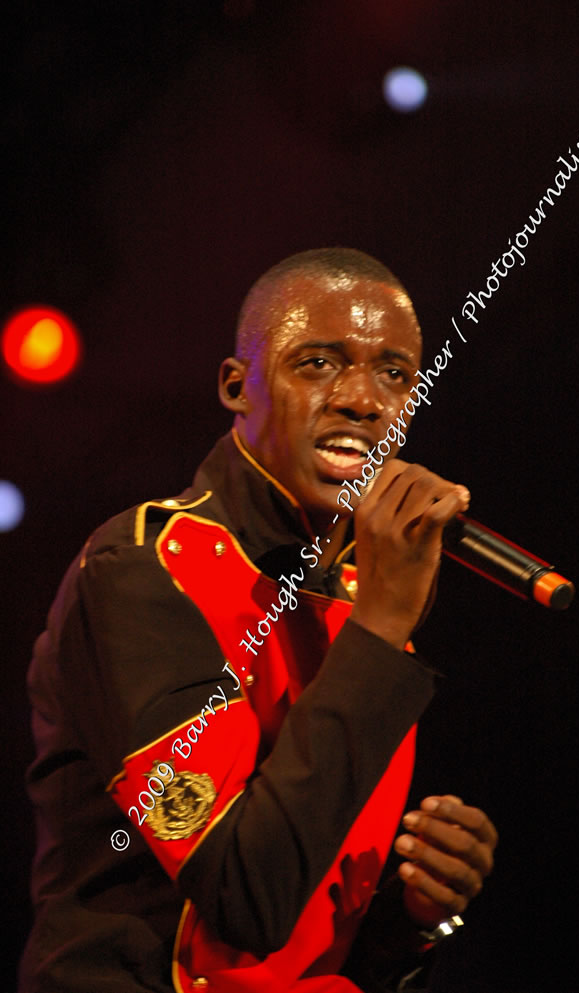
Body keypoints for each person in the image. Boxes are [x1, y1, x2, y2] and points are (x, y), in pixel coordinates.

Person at [20, 248, 498, 993]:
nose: (363, 400)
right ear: (237, 387)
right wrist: (379, 627)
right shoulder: (144, 569)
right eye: (317, 364)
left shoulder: (361, 598)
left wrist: (411, 913)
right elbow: (246, 897)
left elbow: (309, 947)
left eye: (396, 374)